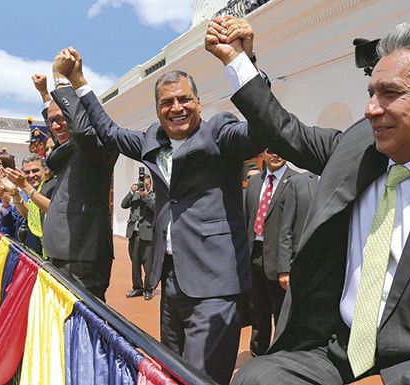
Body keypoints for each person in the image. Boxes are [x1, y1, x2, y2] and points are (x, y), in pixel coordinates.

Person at [209, 18, 410, 385]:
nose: (370, 109)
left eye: (390, 93)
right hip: (334, 353)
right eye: (370, 93)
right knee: (256, 378)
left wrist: (391, 382)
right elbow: (283, 131)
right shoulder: (357, 148)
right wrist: (237, 59)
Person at [51, 46, 262, 384]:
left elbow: (260, 130)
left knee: (201, 378)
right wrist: (77, 81)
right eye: (167, 103)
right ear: (157, 110)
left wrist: (242, 60)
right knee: (170, 372)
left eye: (184, 99)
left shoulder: (220, 133)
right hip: (172, 282)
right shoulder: (152, 140)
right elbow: (109, 132)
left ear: (198, 102)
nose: (176, 108)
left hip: (215, 287)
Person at [41, 65, 121, 302]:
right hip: (64, 254)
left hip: (82, 257)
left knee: (84, 323)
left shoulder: (94, 147)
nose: (55, 126)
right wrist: (45, 95)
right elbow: (58, 124)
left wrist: (62, 83)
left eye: (62, 118)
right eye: (51, 121)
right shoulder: (67, 151)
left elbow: (82, 132)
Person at [243, 149, 299, 355]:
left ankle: (279, 355)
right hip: (253, 256)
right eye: (270, 150)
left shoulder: (297, 181)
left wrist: (288, 266)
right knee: (257, 311)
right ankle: (258, 352)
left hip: (279, 260)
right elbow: (246, 219)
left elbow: (297, 225)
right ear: (264, 154)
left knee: (281, 313)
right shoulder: (255, 182)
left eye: (279, 149)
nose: (276, 154)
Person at [1, 153, 56, 255]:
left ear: (45, 170)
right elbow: (28, 215)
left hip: (54, 250)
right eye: (27, 172)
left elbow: (53, 210)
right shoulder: (34, 189)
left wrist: (24, 186)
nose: (31, 175)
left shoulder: (53, 186)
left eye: (35, 171)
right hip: (37, 249)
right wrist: (14, 193)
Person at [120, 174, 156, 300]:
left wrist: (145, 196)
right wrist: (131, 191)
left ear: (150, 185)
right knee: (135, 263)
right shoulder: (134, 194)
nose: (143, 187)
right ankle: (137, 288)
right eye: (141, 184)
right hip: (134, 235)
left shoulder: (153, 196)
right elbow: (123, 205)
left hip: (147, 235)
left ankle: (148, 289)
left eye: (146, 185)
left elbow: (156, 208)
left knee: (148, 265)